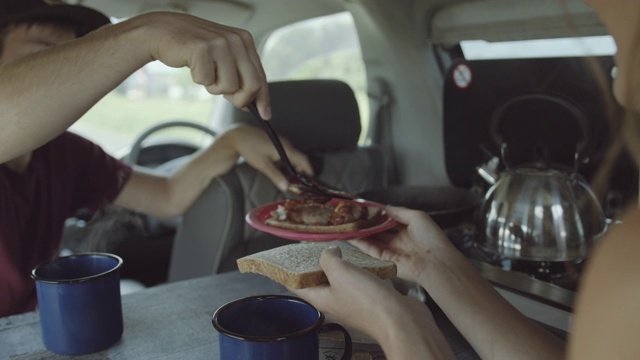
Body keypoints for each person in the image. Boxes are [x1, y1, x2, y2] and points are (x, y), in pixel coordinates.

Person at [292, 0, 640, 359]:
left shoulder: (628, 265)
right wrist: (435, 267)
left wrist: (398, 324)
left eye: (626, 40)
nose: (621, 87)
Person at [0, 0, 313, 317]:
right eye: (42, 55)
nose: (62, 72)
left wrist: (232, 141)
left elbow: (167, 196)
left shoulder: (65, 153)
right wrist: (146, 34)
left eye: (68, 55)